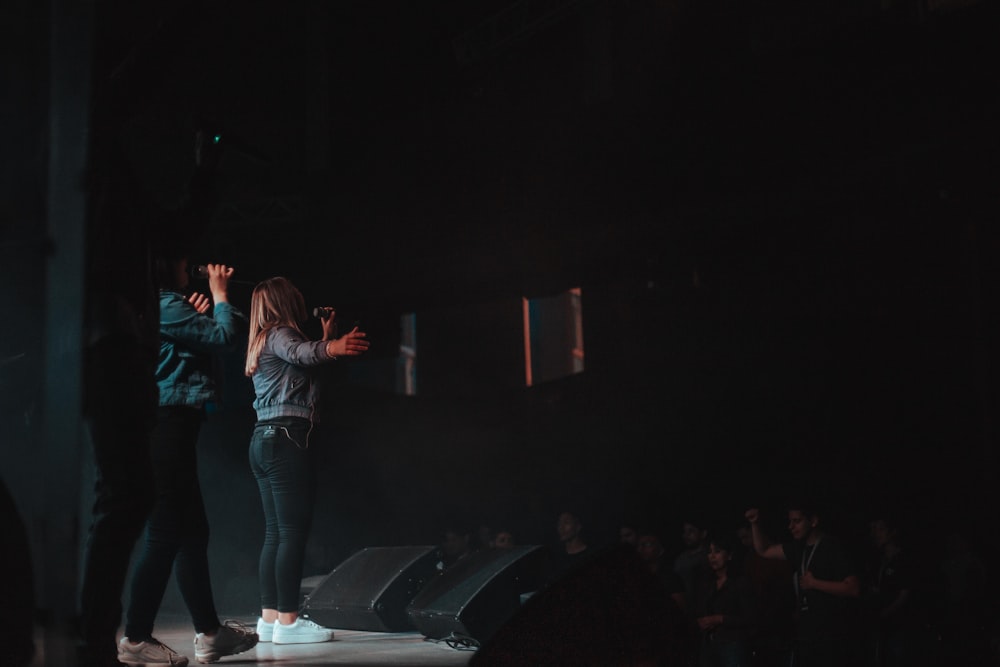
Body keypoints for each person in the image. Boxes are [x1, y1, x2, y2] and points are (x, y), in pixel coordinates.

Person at [117, 258, 256, 666]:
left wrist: (197, 317)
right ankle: (135, 637)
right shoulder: (164, 303)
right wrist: (220, 295)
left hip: (175, 425)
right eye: (181, 262)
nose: (188, 267)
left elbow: (194, 346)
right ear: (163, 268)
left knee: (192, 533)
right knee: (164, 533)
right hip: (167, 426)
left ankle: (210, 632)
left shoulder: (168, 307)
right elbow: (227, 337)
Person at [245, 277, 369, 645]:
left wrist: (326, 338)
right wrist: (333, 346)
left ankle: (270, 619)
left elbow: (304, 366)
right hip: (285, 439)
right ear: (285, 301)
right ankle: (288, 622)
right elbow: (303, 354)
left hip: (263, 439)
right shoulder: (280, 332)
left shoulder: (263, 338)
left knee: (275, 533)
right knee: (292, 534)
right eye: (296, 296)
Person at [745, 504, 862, 667]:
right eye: (790, 521)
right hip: (807, 634)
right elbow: (764, 550)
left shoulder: (831, 546)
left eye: (797, 521)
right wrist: (755, 524)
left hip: (831, 635)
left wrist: (815, 583)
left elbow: (853, 588)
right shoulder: (798, 548)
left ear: (813, 521)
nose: (791, 526)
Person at [689, 531, 757, 667]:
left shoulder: (740, 582)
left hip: (733, 644)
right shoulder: (706, 583)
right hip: (709, 644)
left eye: (717, 551)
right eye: (710, 552)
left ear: (730, 555)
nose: (712, 556)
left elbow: (751, 618)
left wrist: (720, 619)